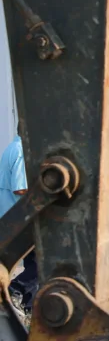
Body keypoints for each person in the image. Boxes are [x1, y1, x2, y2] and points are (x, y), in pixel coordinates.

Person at [0, 126, 38, 313]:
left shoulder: (12, 147)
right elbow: (20, 188)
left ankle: (28, 307)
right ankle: (15, 288)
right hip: (21, 219)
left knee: (32, 261)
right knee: (40, 265)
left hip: (11, 216)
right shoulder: (22, 150)